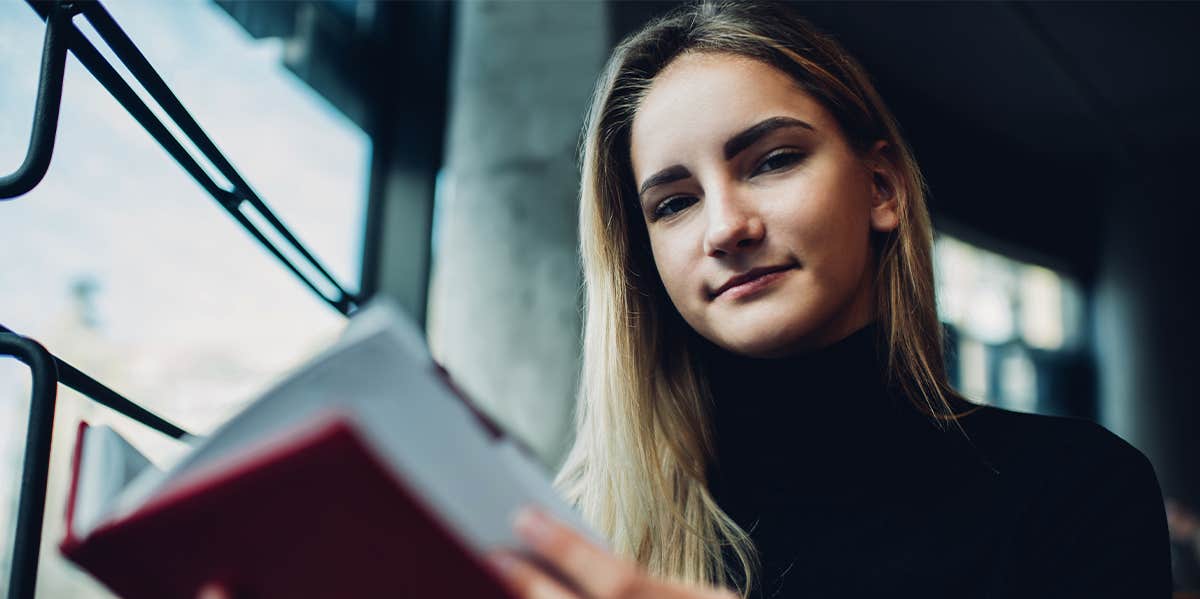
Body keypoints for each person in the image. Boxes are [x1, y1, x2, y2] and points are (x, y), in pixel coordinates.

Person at [486, 1, 1173, 598]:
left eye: (773, 160)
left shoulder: (1077, 491)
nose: (727, 227)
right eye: (674, 203)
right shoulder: (591, 537)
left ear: (881, 188)